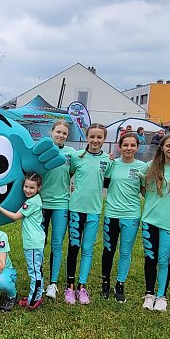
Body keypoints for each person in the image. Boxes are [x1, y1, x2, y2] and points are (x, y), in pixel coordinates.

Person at [65, 123, 112, 305]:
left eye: (99, 137)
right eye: (92, 136)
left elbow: (107, 180)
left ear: (104, 139)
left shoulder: (108, 160)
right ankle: (69, 287)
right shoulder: (76, 157)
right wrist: (70, 188)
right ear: (86, 137)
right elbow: (67, 174)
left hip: (94, 211)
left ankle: (82, 286)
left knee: (87, 249)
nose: (95, 140)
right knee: (73, 247)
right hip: (76, 210)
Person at [141, 132, 170, 312]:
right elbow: (142, 189)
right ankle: (149, 294)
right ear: (162, 147)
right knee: (150, 258)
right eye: (168, 145)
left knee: (163, 260)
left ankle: (161, 296)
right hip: (149, 221)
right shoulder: (149, 167)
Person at [99, 133, 147, 303]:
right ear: (119, 147)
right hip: (112, 213)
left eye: (132, 145)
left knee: (125, 252)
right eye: (125, 145)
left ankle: (120, 284)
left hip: (131, 215)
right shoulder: (112, 164)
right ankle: (105, 283)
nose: (129, 148)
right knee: (108, 250)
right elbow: (100, 182)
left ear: (137, 147)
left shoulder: (143, 167)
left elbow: (145, 191)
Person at [0, 172, 46, 309]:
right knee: (37, 268)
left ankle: (33, 300)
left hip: (33, 242)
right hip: (36, 240)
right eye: (26, 186)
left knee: (34, 271)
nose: (28, 190)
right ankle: (36, 295)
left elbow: (15, 216)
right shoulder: (35, 199)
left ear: (39, 188)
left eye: (32, 187)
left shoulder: (31, 202)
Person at [40, 120, 77, 300]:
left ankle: (52, 283)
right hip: (41, 203)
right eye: (58, 132)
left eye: (64, 133)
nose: (61, 135)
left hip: (62, 204)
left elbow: (76, 170)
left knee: (57, 244)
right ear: (51, 132)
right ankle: (38, 280)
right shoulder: (43, 150)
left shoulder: (71, 153)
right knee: (39, 243)